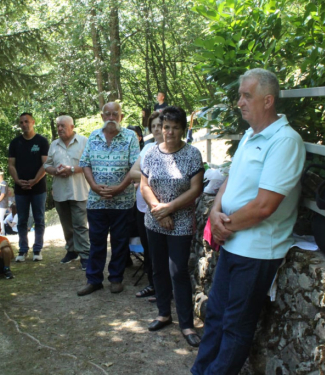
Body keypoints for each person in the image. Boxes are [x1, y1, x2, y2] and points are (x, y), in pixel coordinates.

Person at [191, 69, 306, 374]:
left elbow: (265, 206)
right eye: (239, 94)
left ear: (268, 100)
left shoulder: (285, 142)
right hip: (234, 244)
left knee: (235, 326)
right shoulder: (250, 135)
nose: (239, 101)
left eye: (246, 95)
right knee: (215, 314)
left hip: (256, 251)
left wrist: (222, 226)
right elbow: (231, 181)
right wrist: (215, 211)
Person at [141, 106, 204, 346]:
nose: (169, 132)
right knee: (158, 269)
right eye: (166, 127)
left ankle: (187, 325)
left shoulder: (192, 154)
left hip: (181, 221)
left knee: (178, 271)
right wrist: (160, 211)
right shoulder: (150, 153)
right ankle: (164, 314)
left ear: (183, 129)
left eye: (175, 128)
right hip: (155, 220)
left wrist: (171, 209)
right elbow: (144, 186)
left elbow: (195, 189)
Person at [77, 102, 140, 296]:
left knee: (120, 241)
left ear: (121, 117)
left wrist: (120, 188)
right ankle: (94, 280)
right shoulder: (93, 136)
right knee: (96, 241)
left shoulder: (130, 137)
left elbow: (135, 167)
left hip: (123, 201)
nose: (111, 117)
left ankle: (116, 278)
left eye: (115, 114)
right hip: (96, 201)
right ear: (102, 116)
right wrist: (94, 186)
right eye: (108, 114)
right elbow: (85, 163)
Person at [129, 112, 168, 300]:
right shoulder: (147, 149)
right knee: (148, 247)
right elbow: (132, 173)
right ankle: (153, 285)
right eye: (153, 127)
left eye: (160, 125)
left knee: (163, 250)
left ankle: (166, 288)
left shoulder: (174, 149)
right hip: (143, 207)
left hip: (165, 207)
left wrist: (145, 177)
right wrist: (152, 176)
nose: (157, 130)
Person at [44, 115, 90, 270]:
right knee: (66, 225)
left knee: (80, 225)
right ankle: (71, 250)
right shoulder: (54, 144)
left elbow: (90, 164)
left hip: (79, 190)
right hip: (60, 191)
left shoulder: (84, 141)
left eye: (63, 126)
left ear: (72, 126)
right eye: (58, 126)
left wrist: (71, 169)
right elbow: (47, 165)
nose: (59, 129)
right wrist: (54, 171)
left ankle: (85, 255)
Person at [8, 112, 49, 262]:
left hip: (38, 188)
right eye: (21, 122)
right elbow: (11, 165)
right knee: (22, 220)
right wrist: (18, 181)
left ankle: (37, 250)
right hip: (20, 189)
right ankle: (23, 250)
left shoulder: (42, 141)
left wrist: (35, 180)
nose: (24, 124)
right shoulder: (15, 143)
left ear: (33, 122)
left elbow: (46, 164)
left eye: (27, 121)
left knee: (39, 219)